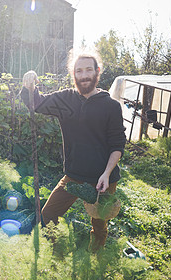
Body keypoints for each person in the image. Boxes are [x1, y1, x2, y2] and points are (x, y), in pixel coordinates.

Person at [21, 51, 126, 252]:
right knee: (49, 213)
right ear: (73, 74)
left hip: (103, 178)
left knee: (99, 222)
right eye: (79, 71)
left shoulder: (111, 106)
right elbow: (38, 104)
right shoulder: (66, 98)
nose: (84, 75)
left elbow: (117, 144)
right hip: (74, 175)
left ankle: (95, 257)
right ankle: (58, 252)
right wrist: (29, 86)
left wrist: (106, 173)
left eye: (88, 70)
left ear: (97, 72)